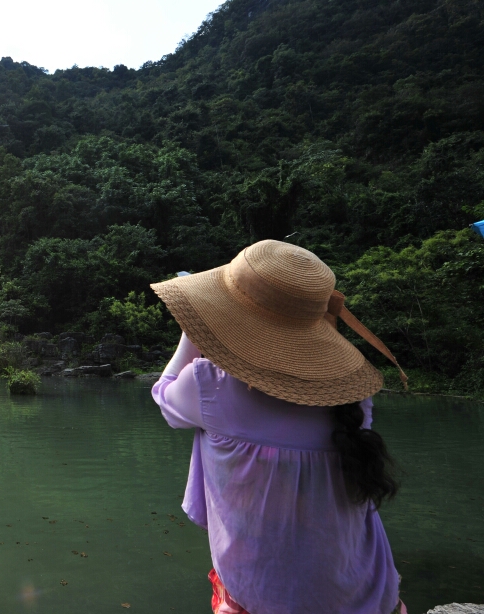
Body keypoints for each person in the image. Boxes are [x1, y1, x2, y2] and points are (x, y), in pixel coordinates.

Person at [150, 240, 406, 614]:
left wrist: (193, 333)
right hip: (370, 597)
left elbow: (164, 397)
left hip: (267, 601)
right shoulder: (350, 396)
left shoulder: (211, 384)